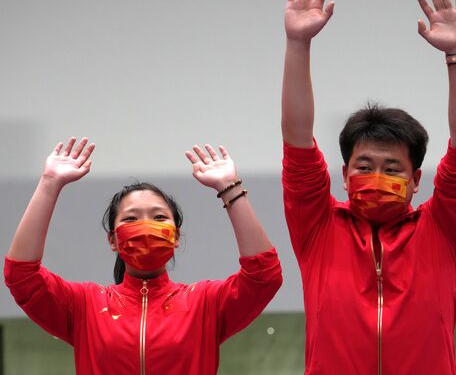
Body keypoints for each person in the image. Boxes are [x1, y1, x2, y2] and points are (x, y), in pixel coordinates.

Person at [282, 0, 456, 375]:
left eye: (392, 167)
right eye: (365, 166)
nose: (377, 176)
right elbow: (297, 138)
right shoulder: (317, 226)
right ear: (344, 174)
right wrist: (297, 43)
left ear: (415, 180)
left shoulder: (442, 229)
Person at [4, 137, 282, 374]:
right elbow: (22, 275)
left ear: (175, 236)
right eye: (131, 218)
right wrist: (49, 183)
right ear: (112, 240)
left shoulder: (205, 303)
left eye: (159, 217)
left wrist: (230, 187)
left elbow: (263, 277)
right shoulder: (84, 306)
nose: (146, 226)